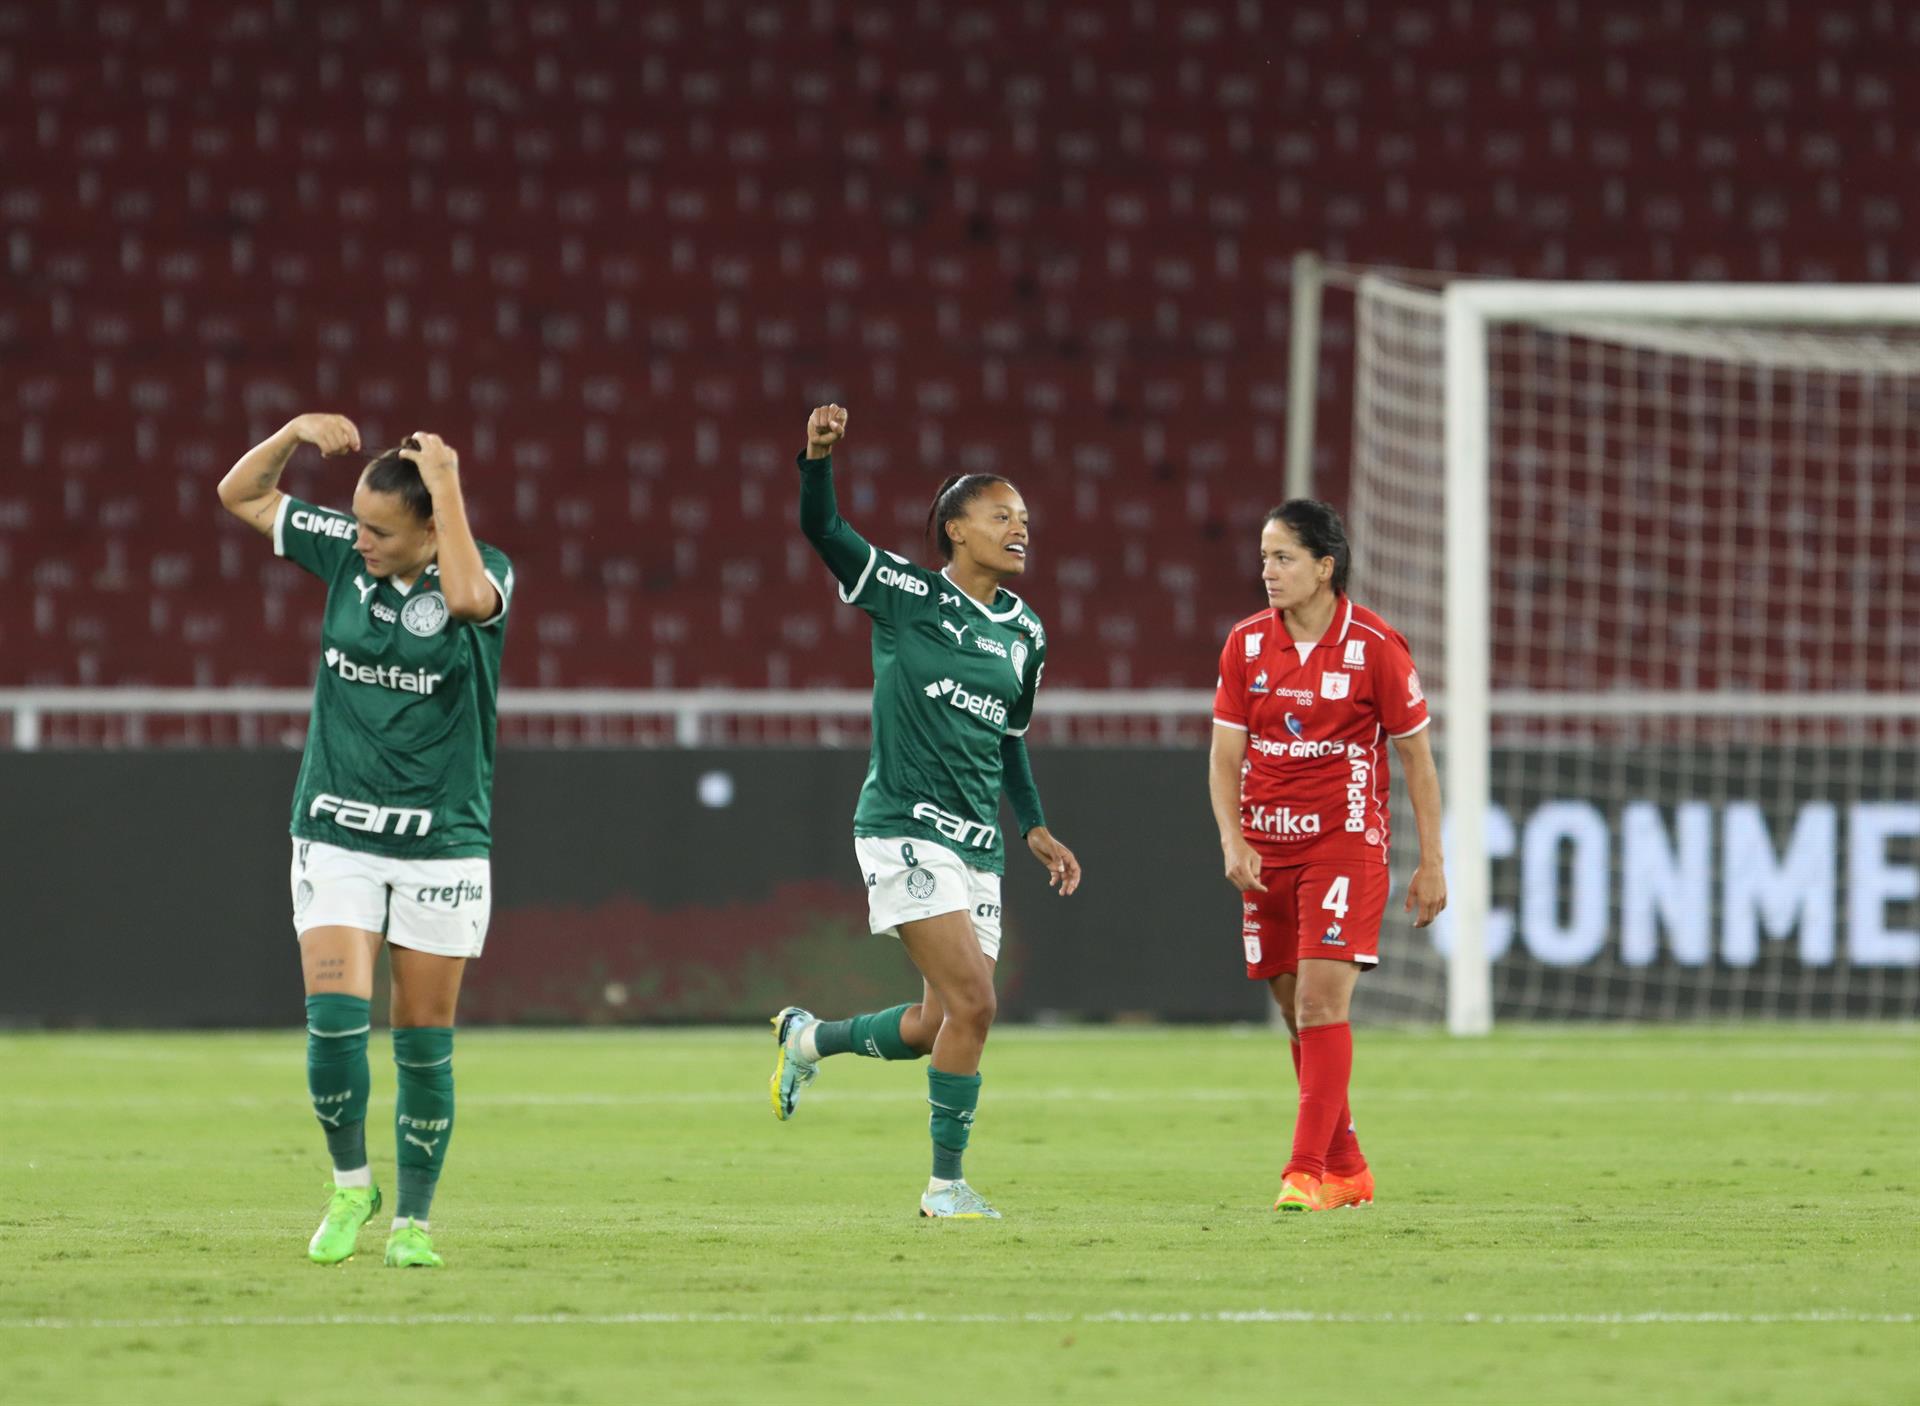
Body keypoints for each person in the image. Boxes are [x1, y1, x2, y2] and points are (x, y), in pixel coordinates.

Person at [768, 404, 1082, 1220]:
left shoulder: (1028, 634)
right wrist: (816, 458)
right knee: (977, 1003)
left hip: (980, 846)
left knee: (933, 1023)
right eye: (1001, 515)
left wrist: (1035, 825)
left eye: (1025, 518)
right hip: (904, 828)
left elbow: (1010, 738)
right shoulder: (907, 594)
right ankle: (945, 1188)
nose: (1020, 528)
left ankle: (806, 1040)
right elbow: (824, 529)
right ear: (955, 529)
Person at [217, 414, 514, 1266]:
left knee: (423, 1037)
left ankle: (413, 1223)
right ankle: (352, 1187)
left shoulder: (484, 571)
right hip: (337, 830)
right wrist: (291, 433)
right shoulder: (346, 554)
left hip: (442, 841)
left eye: (382, 529)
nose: (362, 540)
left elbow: (464, 603)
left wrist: (450, 483)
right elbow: (240, 493)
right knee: (335, 1023)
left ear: (430, 527)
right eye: (357, 522)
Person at [1207, 500, 1446, 1212]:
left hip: (1343, 843)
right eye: (1263, 559)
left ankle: (1304, 1173)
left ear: (1324, 566)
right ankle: (1349, 1168)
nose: (1269, 573)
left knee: (1319, 1003)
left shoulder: (1376, 645)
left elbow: (1418, 762)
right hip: (1265, 848)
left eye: (1283, 559)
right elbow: (1224, 759)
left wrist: (1432, 861)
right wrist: (1232, 837)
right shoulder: (1246, 644)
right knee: (1292, 1009)